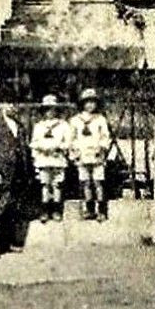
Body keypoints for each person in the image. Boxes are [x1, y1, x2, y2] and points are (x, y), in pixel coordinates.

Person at [0, 100, 32, 258]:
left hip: (18, 173)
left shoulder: (19, 125)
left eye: (13, 104)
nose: (12, 106)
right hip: (1, 173)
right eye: (8, 103)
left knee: (14, 209)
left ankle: (8, 243)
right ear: (0, 105)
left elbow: (23, 148)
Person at [69, 88, 113, 221]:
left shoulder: (100, 120)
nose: (90, 105)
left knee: (98, 182)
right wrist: (74, 153)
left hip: (96, 155)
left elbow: (106, 136)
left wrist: (102, 148)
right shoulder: (75, 120)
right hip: (82, 154)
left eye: (93, 102)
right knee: (86, 182)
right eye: (87, 102)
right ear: (82, 104)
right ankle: (89, 209)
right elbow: (72, 138)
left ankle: (102, 210)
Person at [29, 93, 74, 222]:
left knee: (57, 185)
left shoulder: (63, 125)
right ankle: (45, 210)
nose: (50, 112)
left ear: (57, 110)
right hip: (43, 159)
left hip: (57, 159)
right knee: (45, 185)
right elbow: (34, 142)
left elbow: (68, 142)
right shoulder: (39, 126)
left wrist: (59, 147)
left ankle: (56, 210)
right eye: (47, 109)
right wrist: (40, 149)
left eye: (52, 109)